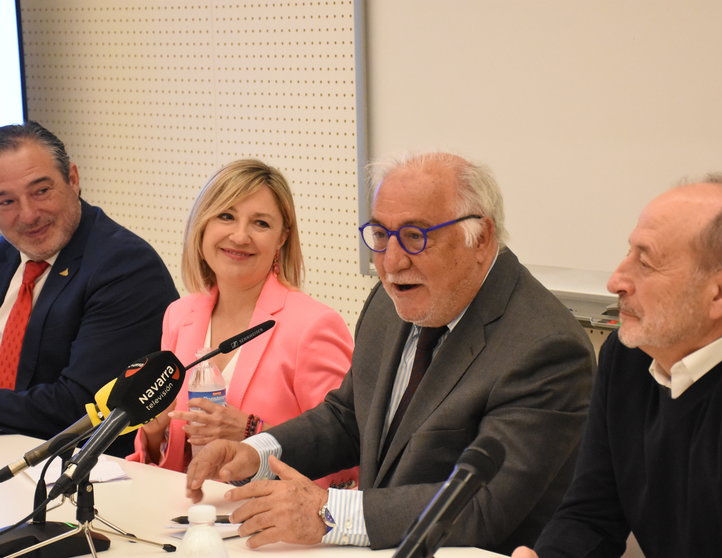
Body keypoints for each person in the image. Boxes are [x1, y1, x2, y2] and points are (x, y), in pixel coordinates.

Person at [184, 151, 596, 554]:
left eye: (416, 237)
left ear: (481, 238)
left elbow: (483, 506)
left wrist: (328, 513)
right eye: (381, 235)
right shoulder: (390, 300)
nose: (392, 262)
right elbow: (349, 417)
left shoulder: (545, 347)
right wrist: (256, 452)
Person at [514, 175, 722, 558]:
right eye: (628, 253)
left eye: (645, 262)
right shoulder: (632, 354)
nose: (616, 280)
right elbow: (590, 514)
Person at [128, 159, 356, 489]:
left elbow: (347, 462)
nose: (240, 235)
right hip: (188, 520)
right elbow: (173, 460)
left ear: (281, 238)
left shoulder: (314, 326)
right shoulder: (179, 315)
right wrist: (153, 432)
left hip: (271, 527)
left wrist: (254, 434)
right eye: (226, 216)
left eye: (260, 223)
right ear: (202, 226)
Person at [0, 121, 178, 456]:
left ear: (73, 179)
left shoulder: (126, 266)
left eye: (41, 191)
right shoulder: (6, 254)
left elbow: (78, 408)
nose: (28, 215)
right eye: (6, 201)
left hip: (76, 473)